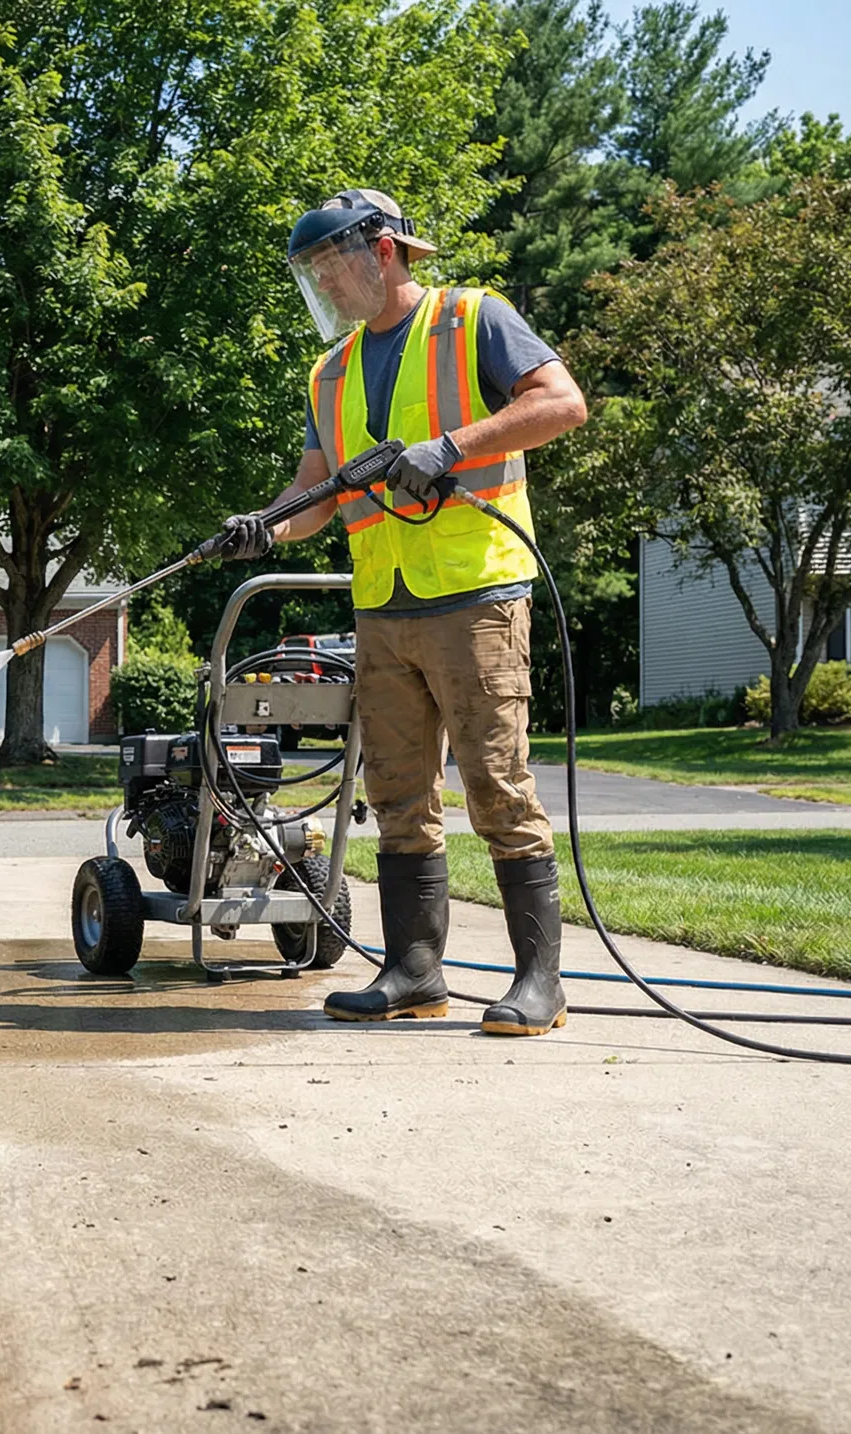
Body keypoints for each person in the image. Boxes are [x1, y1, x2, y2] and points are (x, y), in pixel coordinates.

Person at [220, 189, 588, 1036]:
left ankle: (540, 985)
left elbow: (562, 404)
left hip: (476, 591)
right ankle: (414, 972)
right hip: (382, 604)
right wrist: (266, 525)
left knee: (498, 787)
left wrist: (451, 447)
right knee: (395, 793)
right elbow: (320, 488)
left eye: (327, 265)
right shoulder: (333, 370)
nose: (323, 285)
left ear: (380, 250)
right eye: (310, 274)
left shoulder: (472, 320)